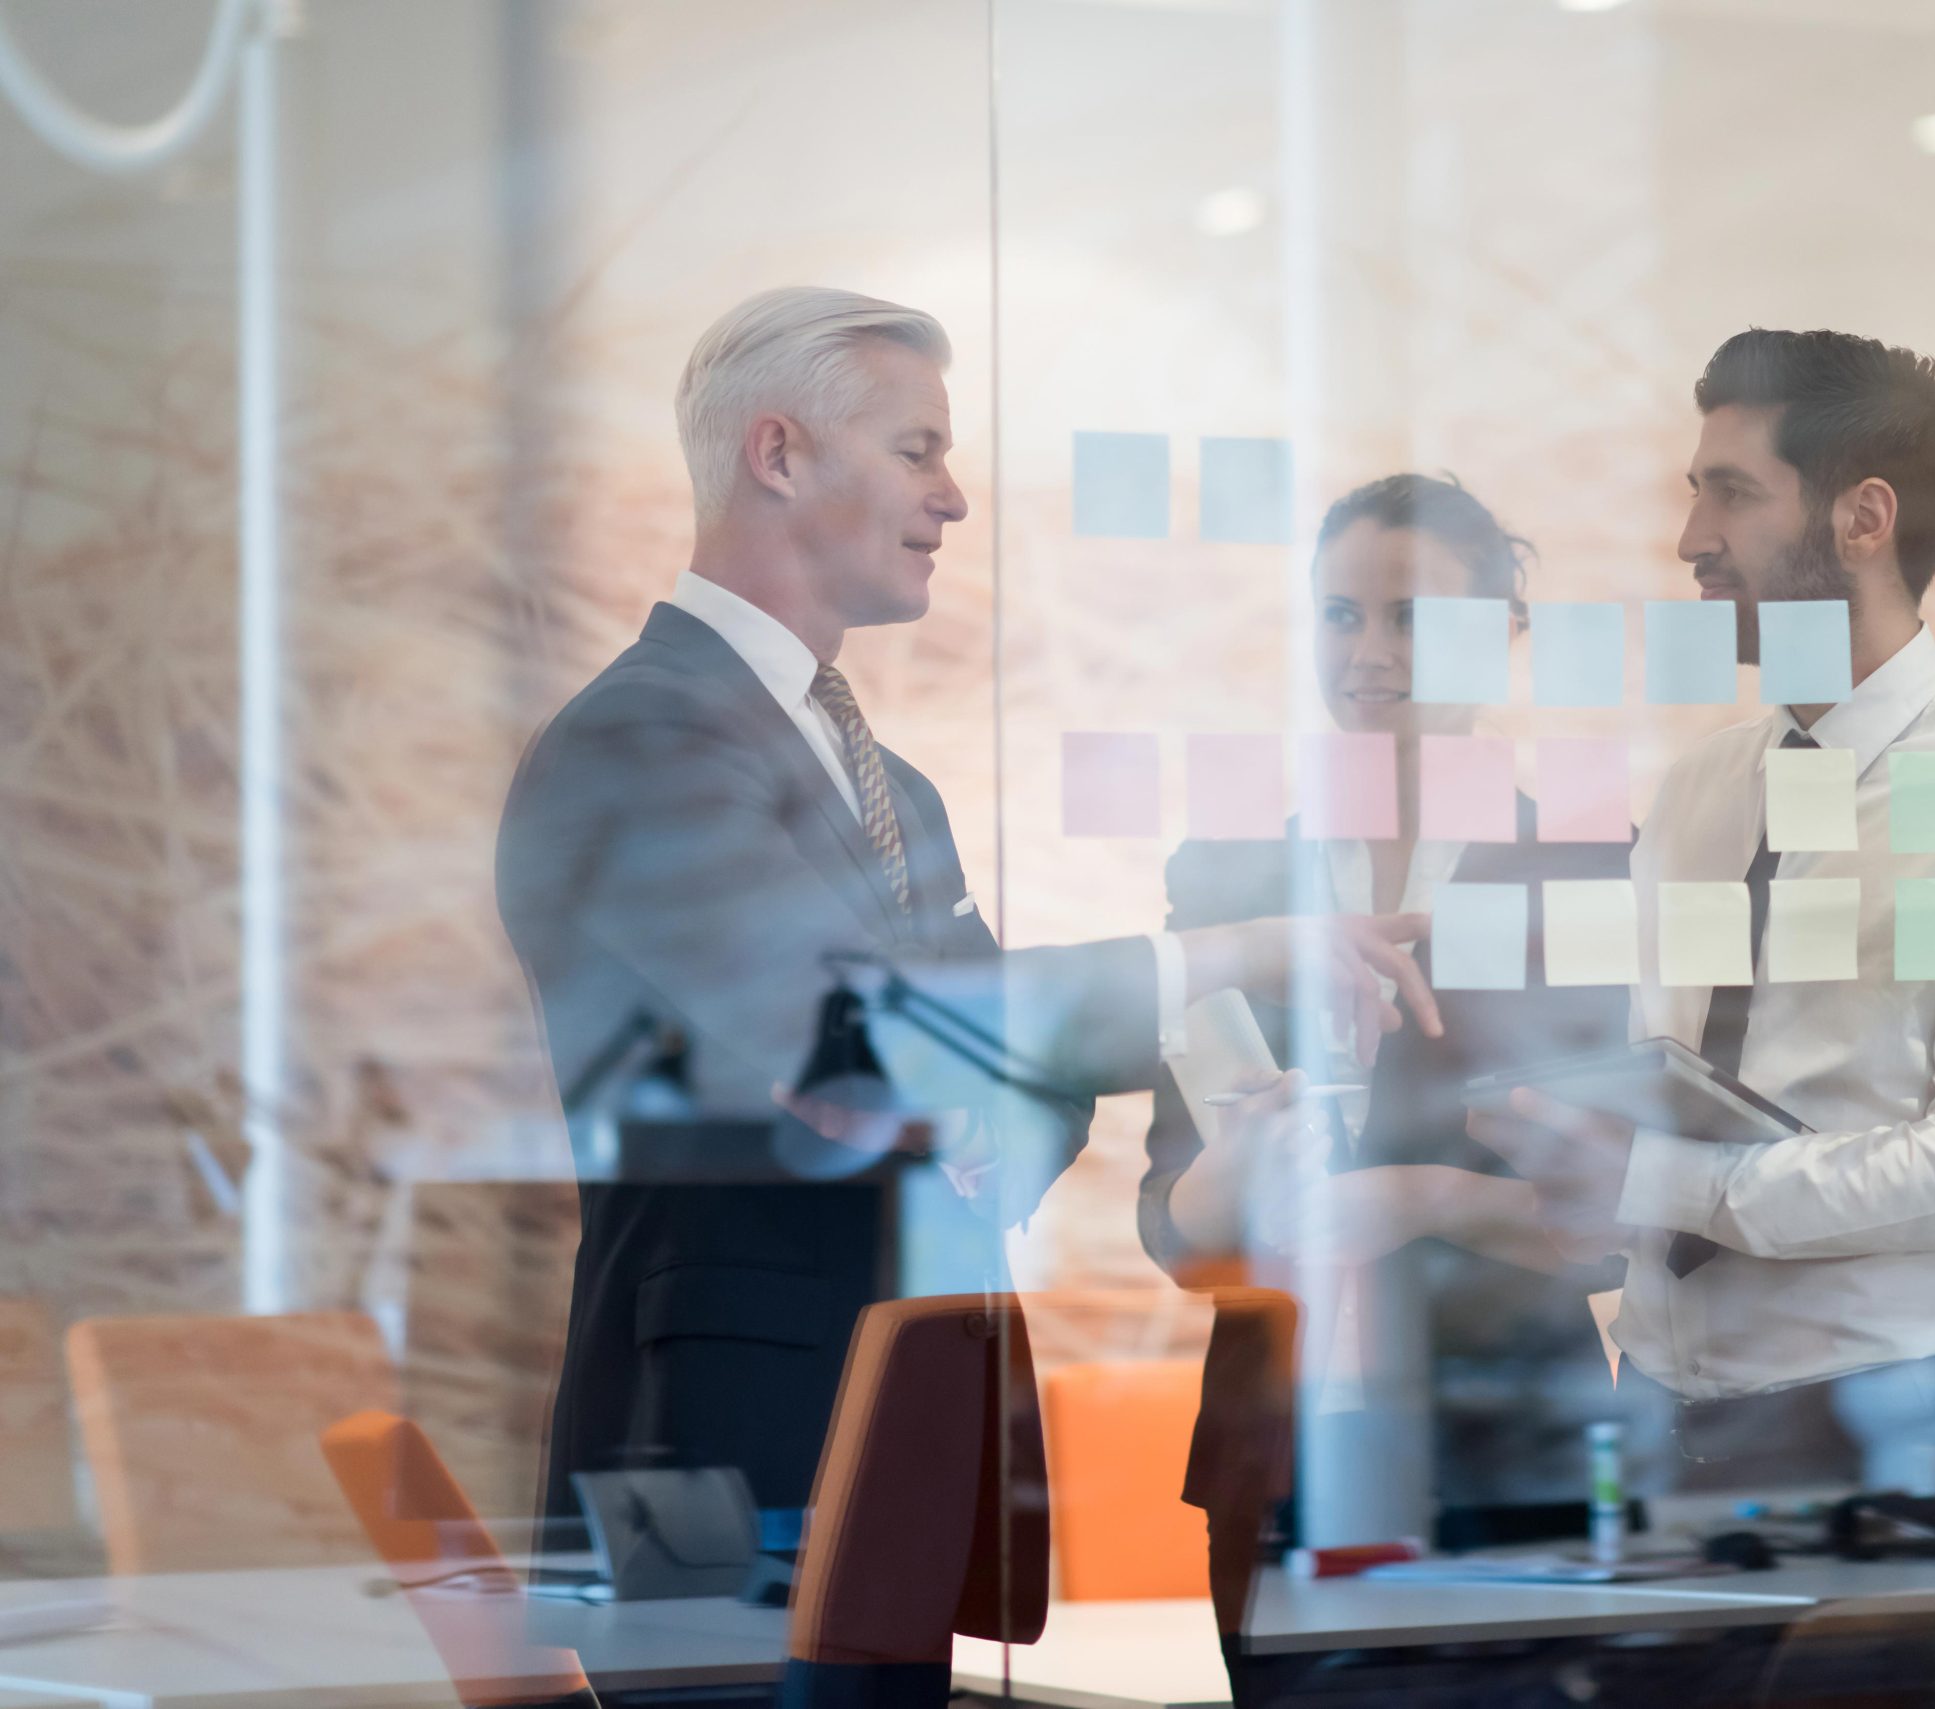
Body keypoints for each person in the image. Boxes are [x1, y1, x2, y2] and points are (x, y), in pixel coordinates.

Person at [495, 287, 1438, 1536]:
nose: (953, 499)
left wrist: (944, 1113)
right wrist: (1235, 953)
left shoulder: (897, 788)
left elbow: (1006, 1069)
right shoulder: (641, 737)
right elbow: (853, 1031)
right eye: (917, 451)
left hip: (919, 1422)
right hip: (724, 1454)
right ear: (777, 454)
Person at [1471, 329, 1935, 1703]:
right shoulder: (1707, 787)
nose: (1687, 538)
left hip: (1892, 1462)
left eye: (1728, 490)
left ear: (1862, 517)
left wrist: (1665, 1180)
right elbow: (1684, 1071)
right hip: (1658, 1441)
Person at [1136, 474, 1640, 1683]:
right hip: (1283, 1448)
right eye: (1340, 614)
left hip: (1514, 1444)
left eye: (1412, 617)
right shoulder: (1228, 876)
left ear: (1503, 632)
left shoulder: (1587, 871)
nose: (1368, 651)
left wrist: (1409, 1198)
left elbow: (1622, 1219)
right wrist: (1243, 1173)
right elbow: (1173, 1225)